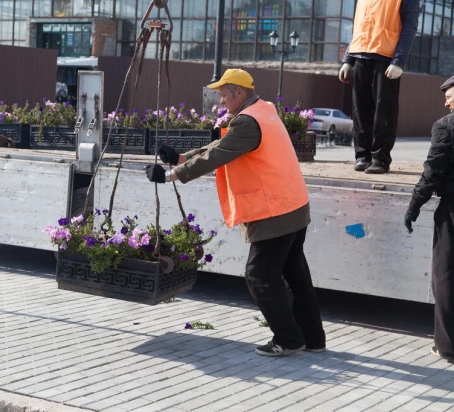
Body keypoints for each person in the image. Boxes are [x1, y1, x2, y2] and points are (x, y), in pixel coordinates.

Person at [145, 69, 326, 357]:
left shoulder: (248, 120)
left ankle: (289, 339)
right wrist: (181, 157)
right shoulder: (263, 111)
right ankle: (313, 338)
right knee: (295, 273)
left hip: (275, 210)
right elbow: (222, 144)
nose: (221, 101)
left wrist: (170, 176)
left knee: (259, 275)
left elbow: (220, 153)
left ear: (239, 92)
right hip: (294, 205)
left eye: (224, 94)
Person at [405, 75, 454, 363]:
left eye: (450, 94)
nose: (446, 100)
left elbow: (433, 171)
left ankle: (447, 346)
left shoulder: (446, 126)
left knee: (446, 277)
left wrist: (415, 205)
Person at [339, 0, 421, 174]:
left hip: (386, 57)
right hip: (360, 55)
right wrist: (348, 59)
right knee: (360, 110)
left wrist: (399, 61)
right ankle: (363, 156)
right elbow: (359, 26)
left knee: (384, 111)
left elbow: (410, 27)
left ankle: (380, 159)